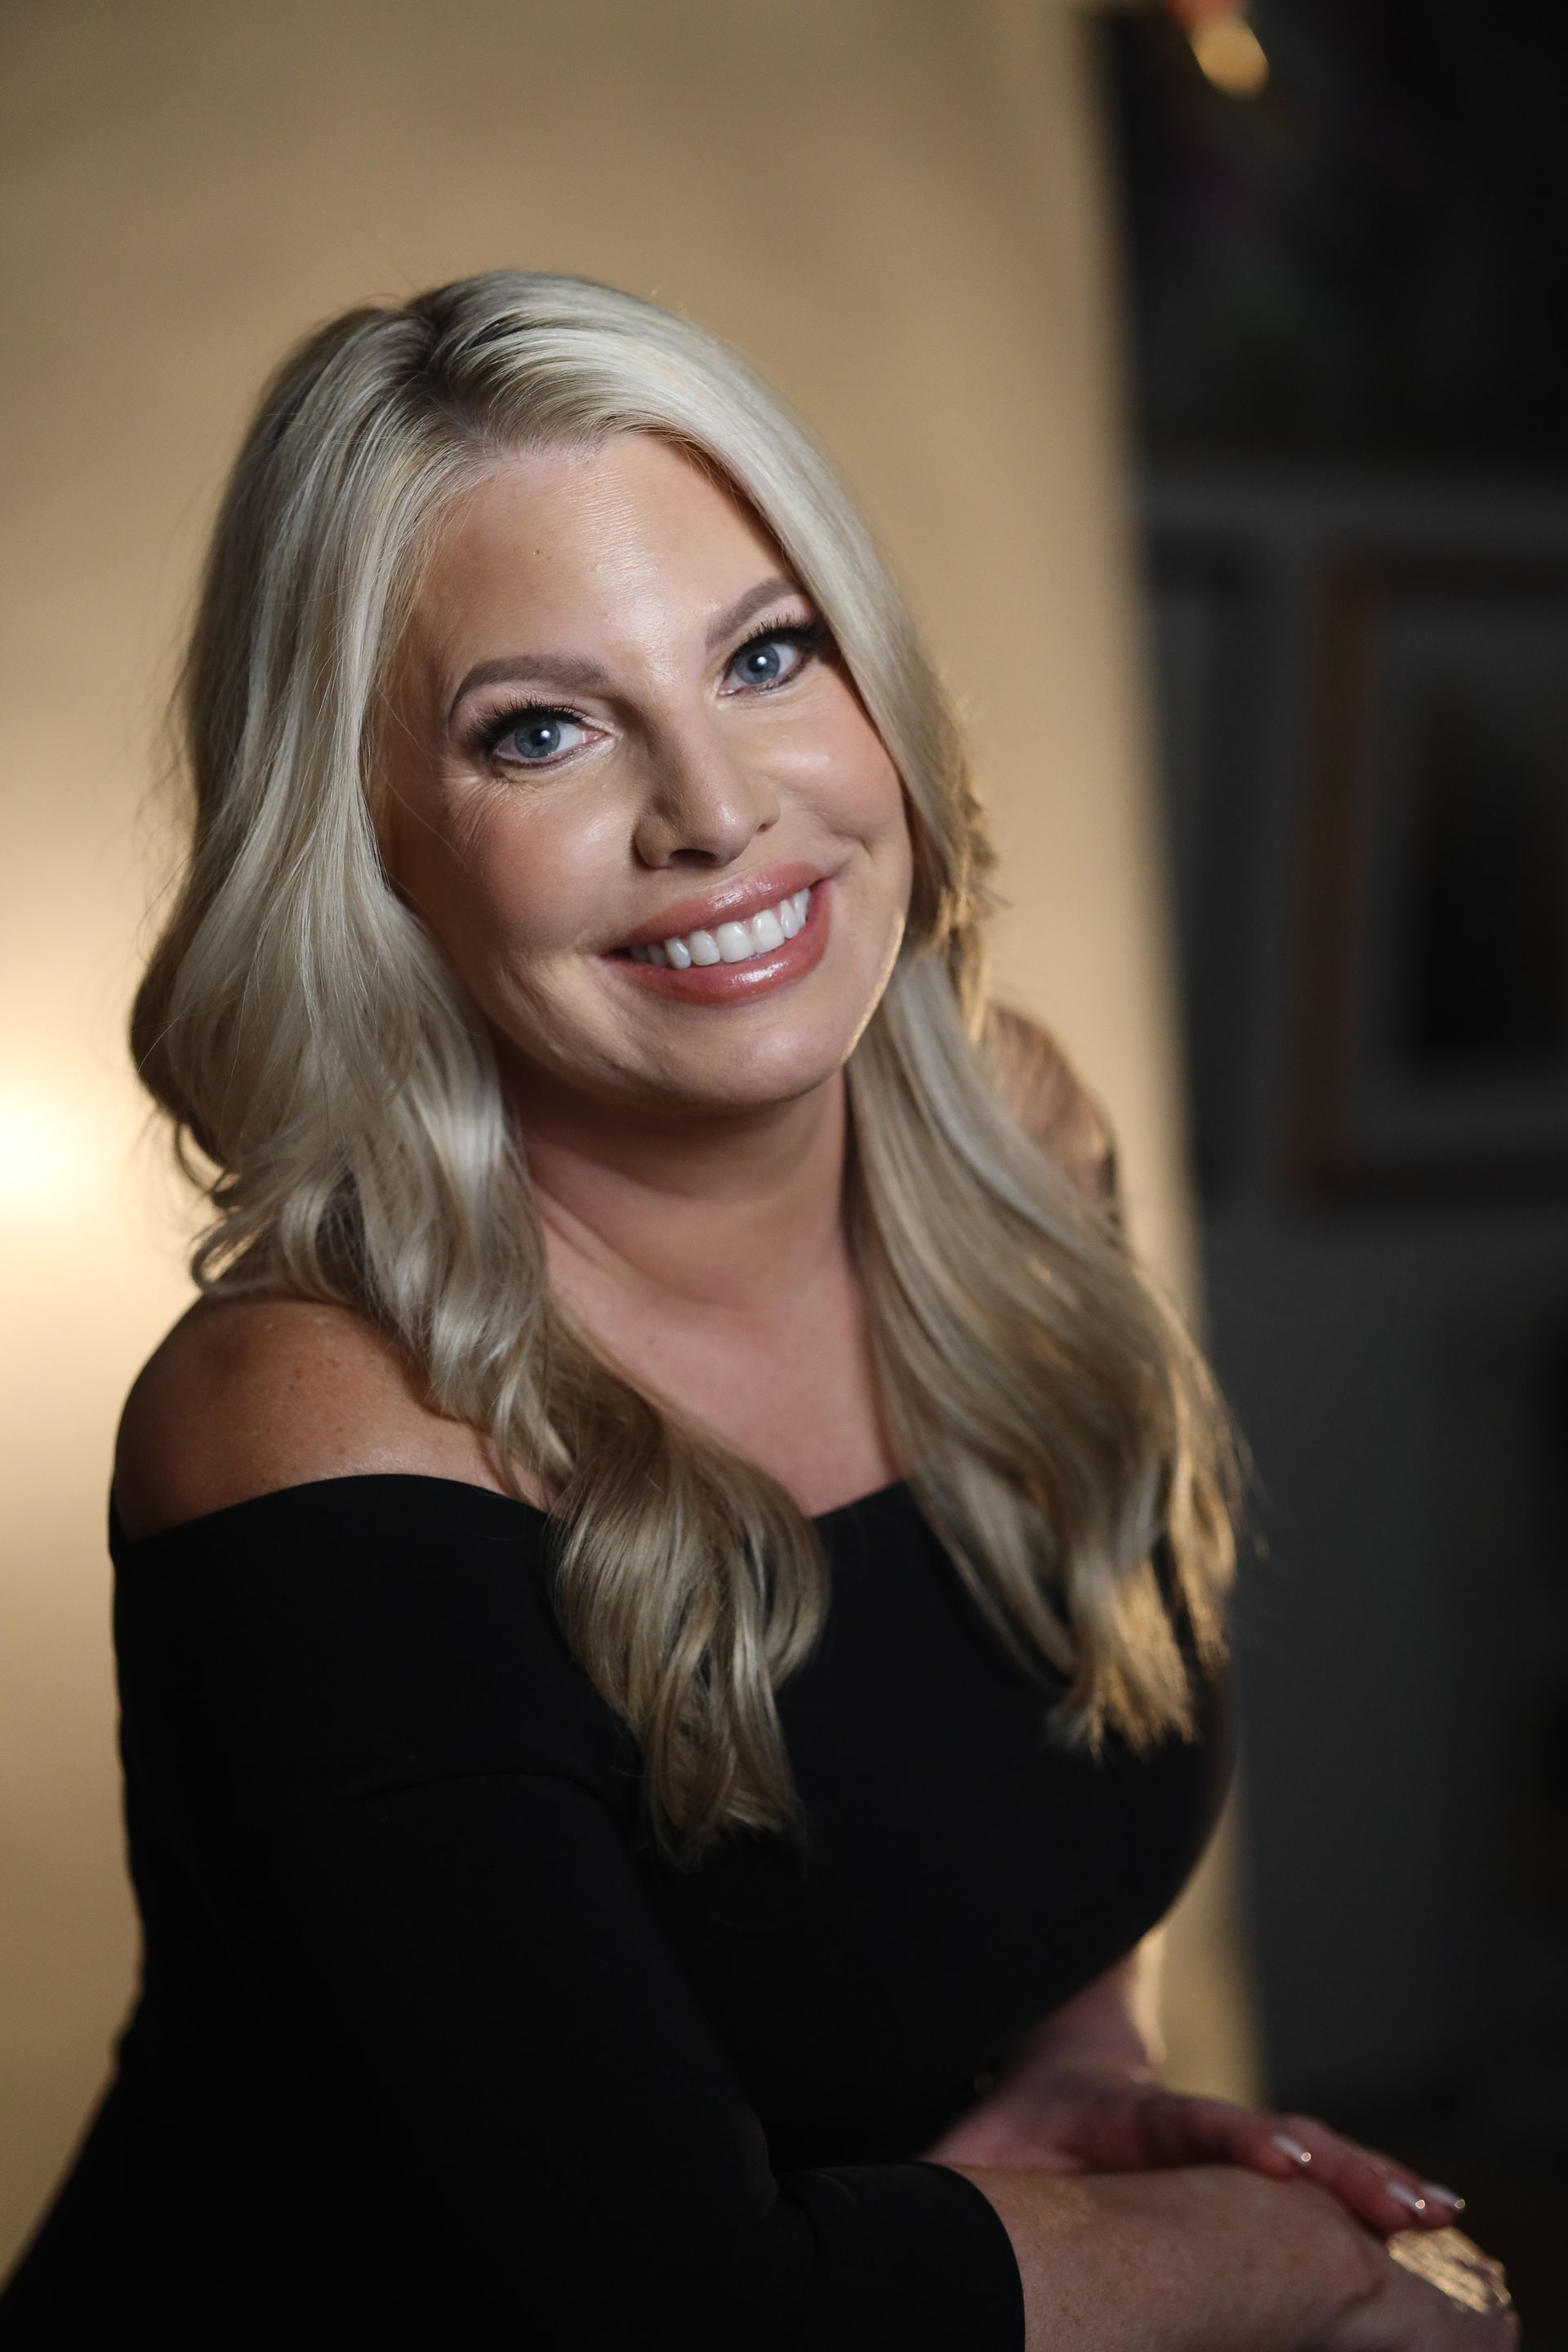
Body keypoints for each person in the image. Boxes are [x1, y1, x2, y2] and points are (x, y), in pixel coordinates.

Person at [0, 273, 1512, 2348]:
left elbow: (1016, 1769)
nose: (715, 813)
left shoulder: (1016, 1152)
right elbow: (672, 2316)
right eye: (540, 728)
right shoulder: (311, 1416)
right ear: (374, 849)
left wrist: (1073, 2059)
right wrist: (1290, 2269)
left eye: (766, 654)